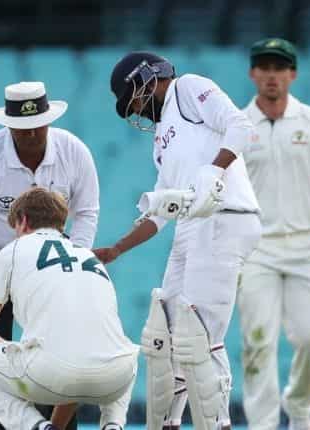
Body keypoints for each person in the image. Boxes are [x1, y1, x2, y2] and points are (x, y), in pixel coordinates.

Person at [95, 52, 262, 430]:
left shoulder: (188, 88)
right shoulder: (160, 141)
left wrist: (214, 170)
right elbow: (160, 211)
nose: (136, 107)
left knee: (197, 336)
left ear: (148, 77)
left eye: (133, 97)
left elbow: (241, 126)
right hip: (191, 224)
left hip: (224, 213)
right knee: (163, 336)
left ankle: (217, 424)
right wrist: (116, 249)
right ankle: (168, 423)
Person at [0, 81, 100, 429]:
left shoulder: (74, 152)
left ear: (49, 120)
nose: (30, 135)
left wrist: (74, 257)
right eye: (22, 129)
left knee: (56, 346)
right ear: (8, 125)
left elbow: (87, 211)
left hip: (51, 257)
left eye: (36, 126)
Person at [0, 187, 139, 430]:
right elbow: (77, 363)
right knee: (121, 350)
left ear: (22, 221)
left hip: (51, 373)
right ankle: (113, 424)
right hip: (116, 379)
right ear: (62, 225)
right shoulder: (90, 258)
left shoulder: (11, 252)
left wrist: (16, 351)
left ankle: (33, 425)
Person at [237, 38, 310, 430]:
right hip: (256, 248)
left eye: (279, 67)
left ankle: (299, 406)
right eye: (264, 67)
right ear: (252, 73)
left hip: (306, 246)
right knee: (258, 344)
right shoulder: (237, 125)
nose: (271, 75)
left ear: (292, 74)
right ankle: (262, 425)